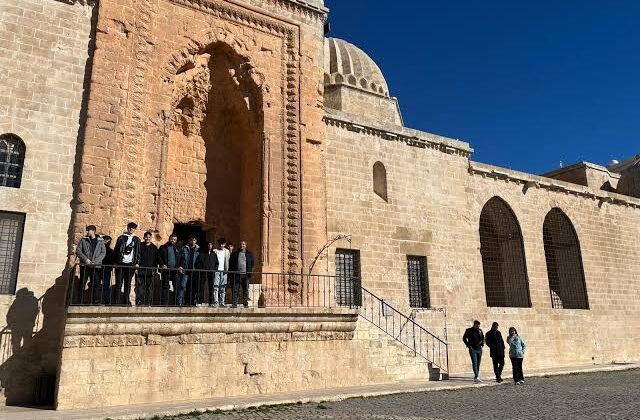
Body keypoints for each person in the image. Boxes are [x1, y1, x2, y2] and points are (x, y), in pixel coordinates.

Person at [75, 225, 106, 304]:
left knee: (96, 283)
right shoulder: (83, 240)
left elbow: (103, 252)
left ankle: (95, 300)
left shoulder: (100, 240)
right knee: (82, 283)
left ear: (93, 231)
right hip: (85, 265)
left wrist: (95, 262)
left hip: (96, 266)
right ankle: (80, 301)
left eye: (88, 230)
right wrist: (86, 260)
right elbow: (78, 251)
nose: (87, 232)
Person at [114, 222, 141, 305]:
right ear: (127, 228)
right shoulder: (121, 238)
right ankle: (116, 302)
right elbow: (116, 250)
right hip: (121, 263)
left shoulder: (136, 239)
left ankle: (126, 301)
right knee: (118, 283)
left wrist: (137, 263)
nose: (131, 229)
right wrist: (115, 262)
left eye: (133, 228)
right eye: (130, 227)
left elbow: (138, 252)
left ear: (134, 229)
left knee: (128, 284)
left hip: (130, 264)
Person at [158, 234, 182, 305]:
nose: (173, 241)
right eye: (172, 239)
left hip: (175, 271)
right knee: (165, 287)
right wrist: (162, 264)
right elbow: (159, 257)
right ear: (169, 239)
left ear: (176, 240)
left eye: (174, 239)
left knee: (177, 287)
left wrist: (181, 266)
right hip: (166, 270)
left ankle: (175, 304)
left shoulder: (178, 248)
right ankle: (164, 304)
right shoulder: (163, 247)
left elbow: (181, 258)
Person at [229, 240, 254, 308]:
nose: (242, 246)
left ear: (245, 245)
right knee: (235, 289)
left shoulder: (249, 254)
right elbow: (231, 264)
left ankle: (245, 303)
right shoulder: (235, 254)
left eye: (243, 244)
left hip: (246, 275)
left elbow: (252, 264)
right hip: (237, 274)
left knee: (245, 289)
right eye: (241, 244)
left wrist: (250, 272)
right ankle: (234, 304)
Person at [136, 231, 158, 306]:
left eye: (149, 237)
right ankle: (140, 302)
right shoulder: (140, 245)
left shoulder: (154, 247)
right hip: (141, 270)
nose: (147, 238)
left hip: (150, 271)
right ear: (144, 237)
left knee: (149, 288)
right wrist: (136, 266)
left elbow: (156, 260)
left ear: (151, 238)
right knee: (140, 287)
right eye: (146, 237)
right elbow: (137, 256)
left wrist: (154, 270)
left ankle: (148, 302)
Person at [196, 242, 219, 306]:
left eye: (211, 245)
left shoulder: (214, 254)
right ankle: (200, 301)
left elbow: (217, 263)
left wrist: (214, 269)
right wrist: (202, 269)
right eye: (208, 245)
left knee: (211, 287)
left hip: (211, 273)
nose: (209, 246)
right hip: (203, 273)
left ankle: (211, 302)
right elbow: (198, 263)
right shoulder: (202, 254)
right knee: (201, 287)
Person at [179, 236, 200, 306]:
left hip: (194, 271)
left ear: (196, 241)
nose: (192, 241)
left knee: (193, 287)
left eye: (194, 240)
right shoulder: (184, 248)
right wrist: (181, 266)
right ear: (189, 240)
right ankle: (181, 302)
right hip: (186, 270)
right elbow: (181, 258)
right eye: (191, 240)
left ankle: (192, 302)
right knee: (183, 286)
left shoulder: (199, 249)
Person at [214, 238, 230, 306]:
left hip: (224, 271)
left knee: (223, 287)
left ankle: (222, 302)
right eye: (220, 244)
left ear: (225, 244)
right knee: (216, 287)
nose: (221, 245)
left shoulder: (227, 251)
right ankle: (216, 301)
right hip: (216, 271)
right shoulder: (215, 251)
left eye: (223, 244)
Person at [101, 235, 115, 304]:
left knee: (106, 285)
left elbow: (112, 261)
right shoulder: (99, 250)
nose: (108, 242)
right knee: (97, 284)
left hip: (106, 270)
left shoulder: (111, 251)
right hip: (99, 269)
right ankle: (97, 300)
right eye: (107, 240)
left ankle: (105, 300)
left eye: (109, 241)